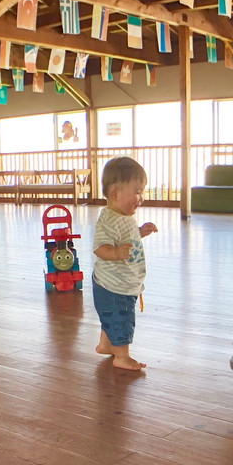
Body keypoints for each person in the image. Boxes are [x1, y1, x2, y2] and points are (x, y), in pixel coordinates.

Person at [92, 157, 158, 371]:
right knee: (122, 318)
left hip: (120, 283)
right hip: (114, 286)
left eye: (142, 191)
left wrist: (139, 233)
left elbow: (126, 239)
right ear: (115, 194)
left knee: (110, 316)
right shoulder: (108, 220)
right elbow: (100, 248)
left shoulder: (124, 217)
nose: (141, 198)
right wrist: (116, 253)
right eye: (137, 192)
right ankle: (121, 356)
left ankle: (105, 345)